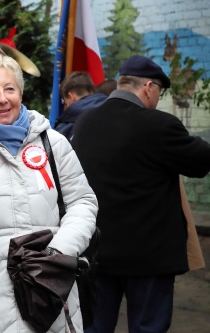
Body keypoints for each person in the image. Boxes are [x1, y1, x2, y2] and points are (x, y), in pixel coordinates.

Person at [0, 53, 98, 332]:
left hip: (52, 289)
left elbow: (82, 202)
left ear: (20, 94)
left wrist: (58, 251)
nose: (2, 98)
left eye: (9, 89)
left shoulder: (53, 142)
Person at [72, 55, 210, 333]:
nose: (158, 97)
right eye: (160, 91)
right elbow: (201, 161)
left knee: (94, 328)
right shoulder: (159, 125)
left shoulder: (85, 122)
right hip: (149, 260)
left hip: (97, 254)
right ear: (148, 87)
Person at [54, 71, 107, 141]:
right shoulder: (115, 111)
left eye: (66, 103)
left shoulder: (66, 129)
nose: (67, 107)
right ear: (93, 92)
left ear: (71, 96)